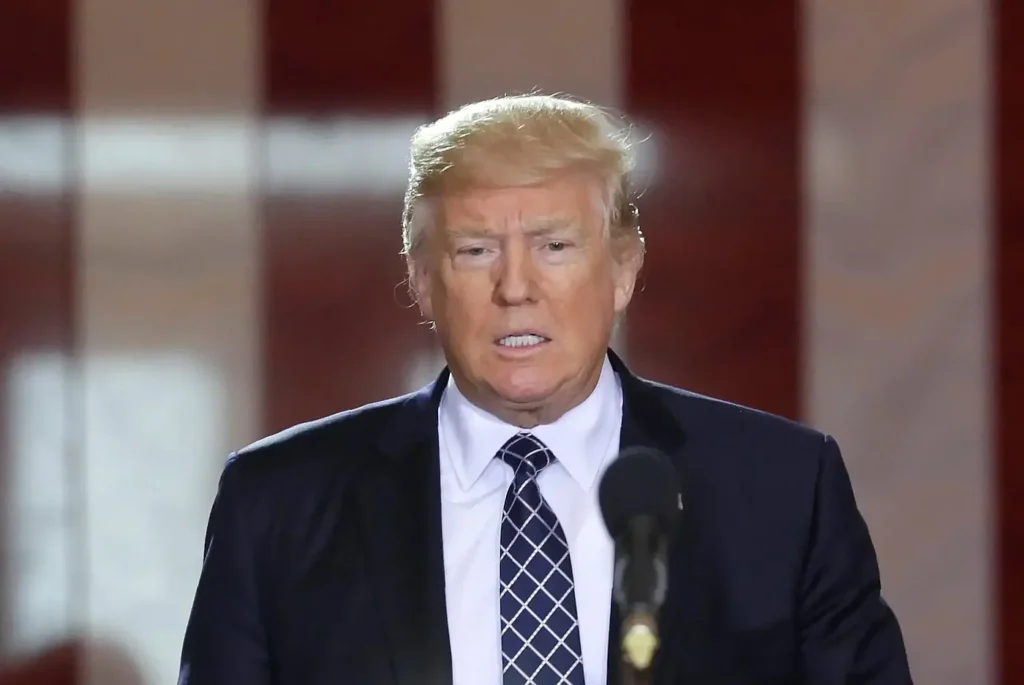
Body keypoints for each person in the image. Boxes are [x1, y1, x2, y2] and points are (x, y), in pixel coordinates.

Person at [178, 94, 913, 684]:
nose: (516, 288)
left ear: (623, 269)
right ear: (422, 279)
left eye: (554, 246)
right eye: (476, 251)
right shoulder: (277, 503)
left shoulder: (784, 489)